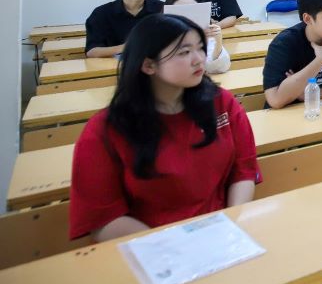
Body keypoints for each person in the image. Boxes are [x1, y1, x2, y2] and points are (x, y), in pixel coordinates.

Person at [69, 14, 258, 241]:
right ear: (148, 65)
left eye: (200, 48)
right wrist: (178, 245)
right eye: (184, 52)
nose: (199, 59)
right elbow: (104, 219)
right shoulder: (104, 131)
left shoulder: (221, 103)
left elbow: (243, 170)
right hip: (151, 247)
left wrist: (230, 225)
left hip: (221, 233)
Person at [85, 0, 165, 58]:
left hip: (156, 63)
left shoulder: (161, 8)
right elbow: (92, 52)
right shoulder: (102, 13)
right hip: (117, 66)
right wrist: (128, 46)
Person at [164, 0, 231, 74]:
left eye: (192, 11)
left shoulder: (206, 34)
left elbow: (220, 68)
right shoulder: (158, 35)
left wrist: (218, 42)